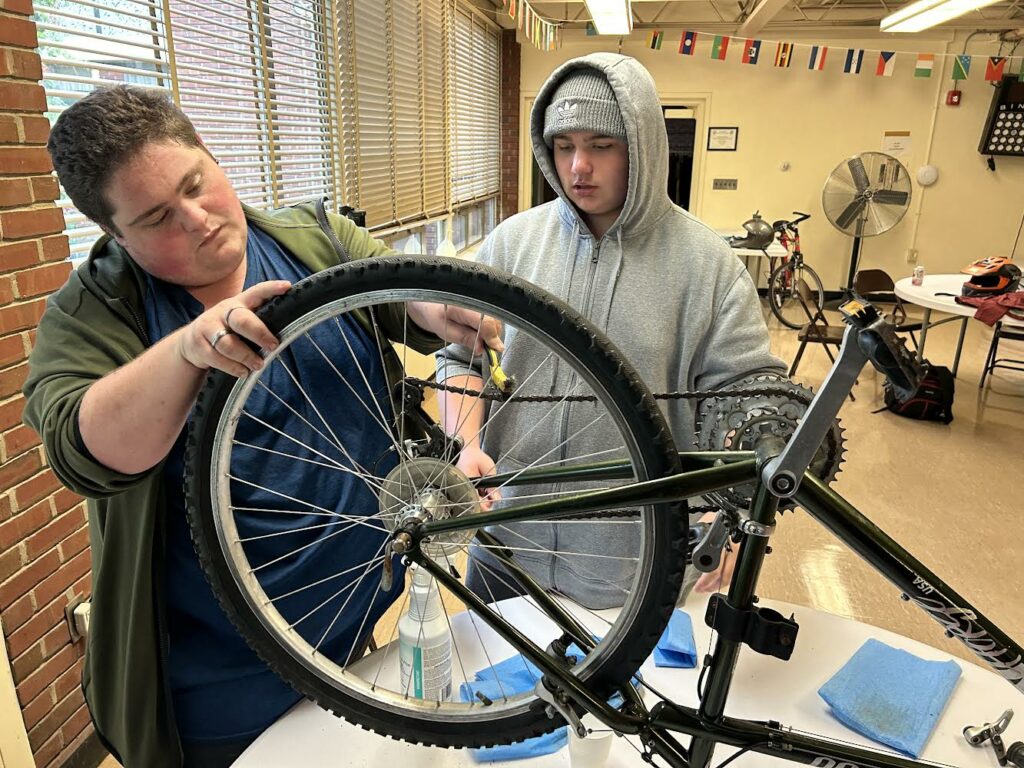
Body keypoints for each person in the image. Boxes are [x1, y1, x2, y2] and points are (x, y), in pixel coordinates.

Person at [22, 85, 500, 768]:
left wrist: (438, 316)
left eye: (197, 183)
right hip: (219, 699)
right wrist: (188, 351)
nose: (196, 219)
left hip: (355, 639)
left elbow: (429, 318)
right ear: (116, 236)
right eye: (157, 216)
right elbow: (81, 450)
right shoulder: (96, 312)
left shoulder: (313, 240)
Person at [436, 53, 788, 610]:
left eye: (601, 146)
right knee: (495, 690)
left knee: (627, 698)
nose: (579, 166)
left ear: (642, 146)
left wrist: (738, 512)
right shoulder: (511, 244)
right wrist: (467, 444)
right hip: (506, 545)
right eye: (563, 146)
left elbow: (748, 397)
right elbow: (460, 358)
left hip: (635, 564)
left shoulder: (708, 264)